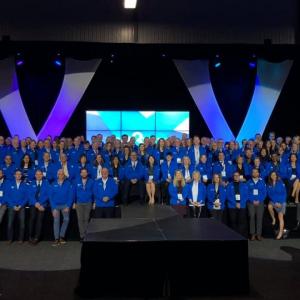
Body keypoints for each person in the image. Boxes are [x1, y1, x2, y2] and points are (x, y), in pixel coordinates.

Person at [49, 169, 73, 246]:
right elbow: (51, 197)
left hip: (65, 205)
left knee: (66, 219)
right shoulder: (53, 184)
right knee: (56, 221)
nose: (61, 175)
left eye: (62, 174)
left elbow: (71, 196)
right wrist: (53, 208)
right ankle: (56, 239)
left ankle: (61, 237)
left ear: (64, 175)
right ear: (57, 175)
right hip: (55, 206)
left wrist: (68, 206)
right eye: (59, 174)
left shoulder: (68, 183)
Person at [27, 169, 51, 245]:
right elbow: (29, 195)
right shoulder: (32, 183)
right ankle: (30, 236)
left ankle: (37, 237)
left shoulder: (46, 183)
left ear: (42, 175)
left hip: (42, 204)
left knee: (39, 220)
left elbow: (48, 195)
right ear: (35, 175)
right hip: (33, 204)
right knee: (32, 218)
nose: (38, 176)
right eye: (37, 174)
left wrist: (40, 203)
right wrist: (36, 203)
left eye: (40, 174)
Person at [6, 170, 28, 243]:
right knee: (10, 224)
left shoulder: (24, 185)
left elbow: (26, 197)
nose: (18, 175)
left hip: (21, 206)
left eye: (19, 174)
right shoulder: (10, 184)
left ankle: (21, 239)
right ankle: (10, 239)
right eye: (17, 174)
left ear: (21, 176)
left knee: (22, 224)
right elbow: (7, 196)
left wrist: (21, 206)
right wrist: (13, 205)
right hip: (12, 206)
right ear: (14, 175)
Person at [73, 168, 94, 241]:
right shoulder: (76, 181)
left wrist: (94, 202)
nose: (84, 173)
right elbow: (74, 192)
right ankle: (82, 236)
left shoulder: (91, 181)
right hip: (79, 203)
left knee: (86, 219)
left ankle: (86, 234)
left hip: (88, 202)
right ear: (80, 174)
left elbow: (93, 192)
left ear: (87, 173)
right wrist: (74, 202)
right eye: (82, 172)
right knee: (80, 219)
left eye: (85, 172)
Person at [226, 172, 248, 237]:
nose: (236, 176)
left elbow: (246, 195)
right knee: (233, 221)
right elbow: (228, 196)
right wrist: (235, 203)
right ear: (233, 177)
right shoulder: (229, 185)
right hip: (232, 206)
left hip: (242, 205)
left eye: (237, 175)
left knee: (241, 221)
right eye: (235, 175)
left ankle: (240, 235)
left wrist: (240, 203)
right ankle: (233, 235)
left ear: (239, 176)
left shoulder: (244, 185)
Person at [247, 168, 267, 241]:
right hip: (251, 202)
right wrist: (252, 200)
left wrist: (259, 200)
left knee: (259, 218)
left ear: (258, 174)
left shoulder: (262, 182)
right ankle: (252, 234)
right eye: (253, 172)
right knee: (252, 217)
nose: (254, 173)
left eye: (256, 172)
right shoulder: (248, 182)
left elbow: (264, 193)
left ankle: (258, 234)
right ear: (251, 173)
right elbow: (247, 193)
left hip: (260, 202)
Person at [267, 171, 287, 240]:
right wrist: (275, 202)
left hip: (281, 201)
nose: (273, 176)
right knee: (269, 206)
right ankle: (273, 219)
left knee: (280, 217)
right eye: (272, 175)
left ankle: (280, 233)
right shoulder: (269, 184)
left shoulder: (281, 183)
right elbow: (269, 194)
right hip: (273, 201)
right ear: (270, 176)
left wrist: (280, 202)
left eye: (274, 175)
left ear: (276, 176)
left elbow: (284, 193)